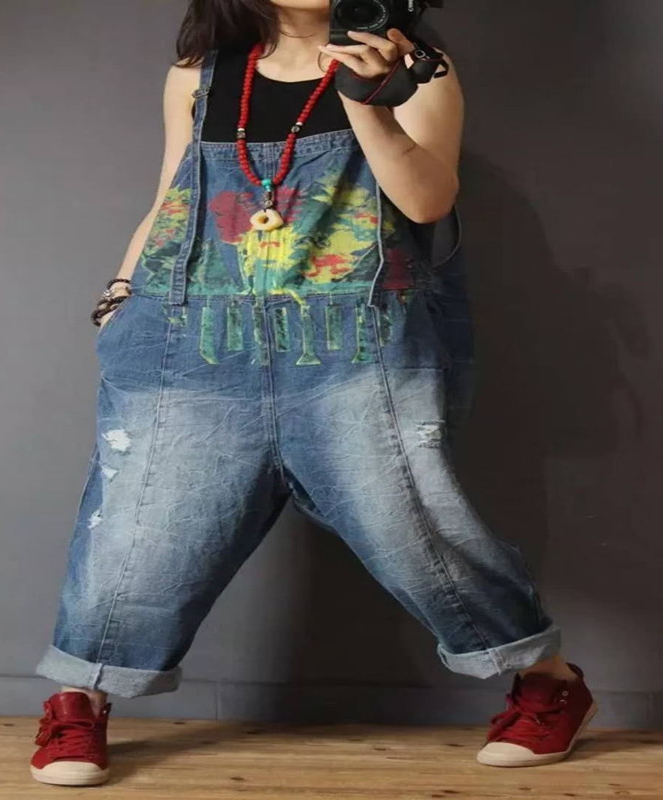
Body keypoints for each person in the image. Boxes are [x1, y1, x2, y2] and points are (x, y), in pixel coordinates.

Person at [29, 0, 597, 786]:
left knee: (415, 526)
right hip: (193, 339)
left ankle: (548, 684)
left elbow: (427, 202)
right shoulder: (198, 74)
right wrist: (121, 296)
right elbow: (173, 199)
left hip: (353, 345)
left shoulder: (417, 69)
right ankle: (78, 699)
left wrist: (370, 102)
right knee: (138, 532)